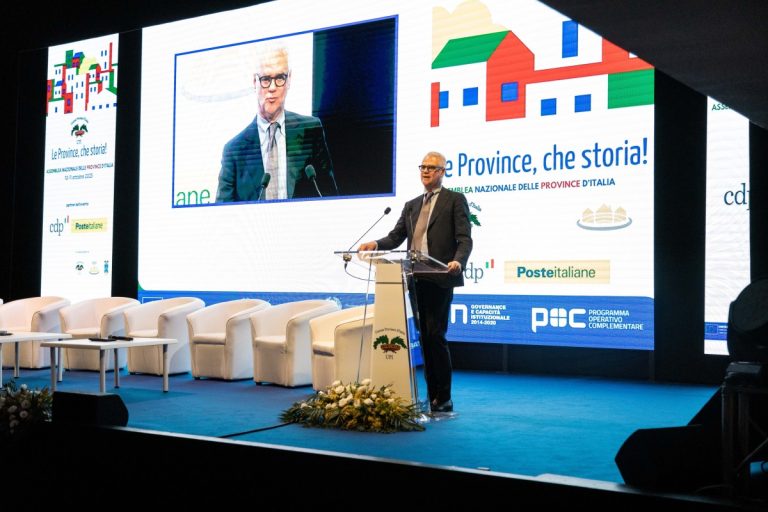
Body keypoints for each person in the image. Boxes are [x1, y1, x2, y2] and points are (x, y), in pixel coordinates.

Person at [358, 151, 472, 413]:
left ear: (442, 171)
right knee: (424, 336)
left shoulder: (455, 200)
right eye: (423, 167)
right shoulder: (411, 205)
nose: (426, 171)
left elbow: (465, 239)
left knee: (435, 336)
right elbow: (395, 237)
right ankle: (431, 396)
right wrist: (375, 244)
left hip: (441, 278)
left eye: (431, 167)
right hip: (415, 279)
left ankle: (443, 397)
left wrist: (458, 261)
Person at [216, 46, 337, 202]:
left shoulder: (310, 131)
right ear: (255, 82)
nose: (272, 88)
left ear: (289, 80)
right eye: (266, 79)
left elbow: (330, 197)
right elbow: (223, 210)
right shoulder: (234, 151)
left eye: (280, 78)